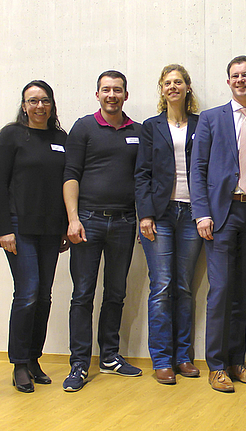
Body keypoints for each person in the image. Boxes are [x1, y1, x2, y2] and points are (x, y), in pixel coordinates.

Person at [190, 55, 246, 392]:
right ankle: (216, 366)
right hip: (220, 217)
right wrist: (202, 213)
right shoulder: (211, 119)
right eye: (235, 75)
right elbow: (197, 170)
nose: (241, 80)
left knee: (244, 292)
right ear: (228, 82)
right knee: (222, 290)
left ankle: (237, 363)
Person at [0, 80, 69, 393]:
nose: (39, 106)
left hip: (50, 228)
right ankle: (19, 363)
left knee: (44, 295)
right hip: (19, 227)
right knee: (28, 292)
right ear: (23, 105)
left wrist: (63, 227)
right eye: (33, 101)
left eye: (45, 100)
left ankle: (33, 358)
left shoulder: (61, 138)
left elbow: (65, 185)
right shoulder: (11, 136)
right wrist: (3, 228)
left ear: (51, 104)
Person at [62, 70, 142, 392]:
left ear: (126, 94)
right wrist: (73, 218)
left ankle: (109, 356)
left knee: (116, 293)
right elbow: (70, 174)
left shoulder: (137, 131)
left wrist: (143, 217)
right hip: (88, 221)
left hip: (124, 222)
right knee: (82, 294)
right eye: (106, 90)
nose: (112, 95)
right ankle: (80, 364)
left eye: (117, 90)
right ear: (97, 94)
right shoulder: (83, 127)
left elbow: (142, 179)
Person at [135, 64, 203, 384]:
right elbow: (142, 174)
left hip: (192, 214)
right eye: (167, 83)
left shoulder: (202, 125)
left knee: (184, 287)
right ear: (161, 89)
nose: (173, 87)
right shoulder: (150, 127)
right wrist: (145, 214)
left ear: (187, 88)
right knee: (161, 287)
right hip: (160, 216)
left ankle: (183, 356)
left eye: (178, 82)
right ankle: (162, 359)